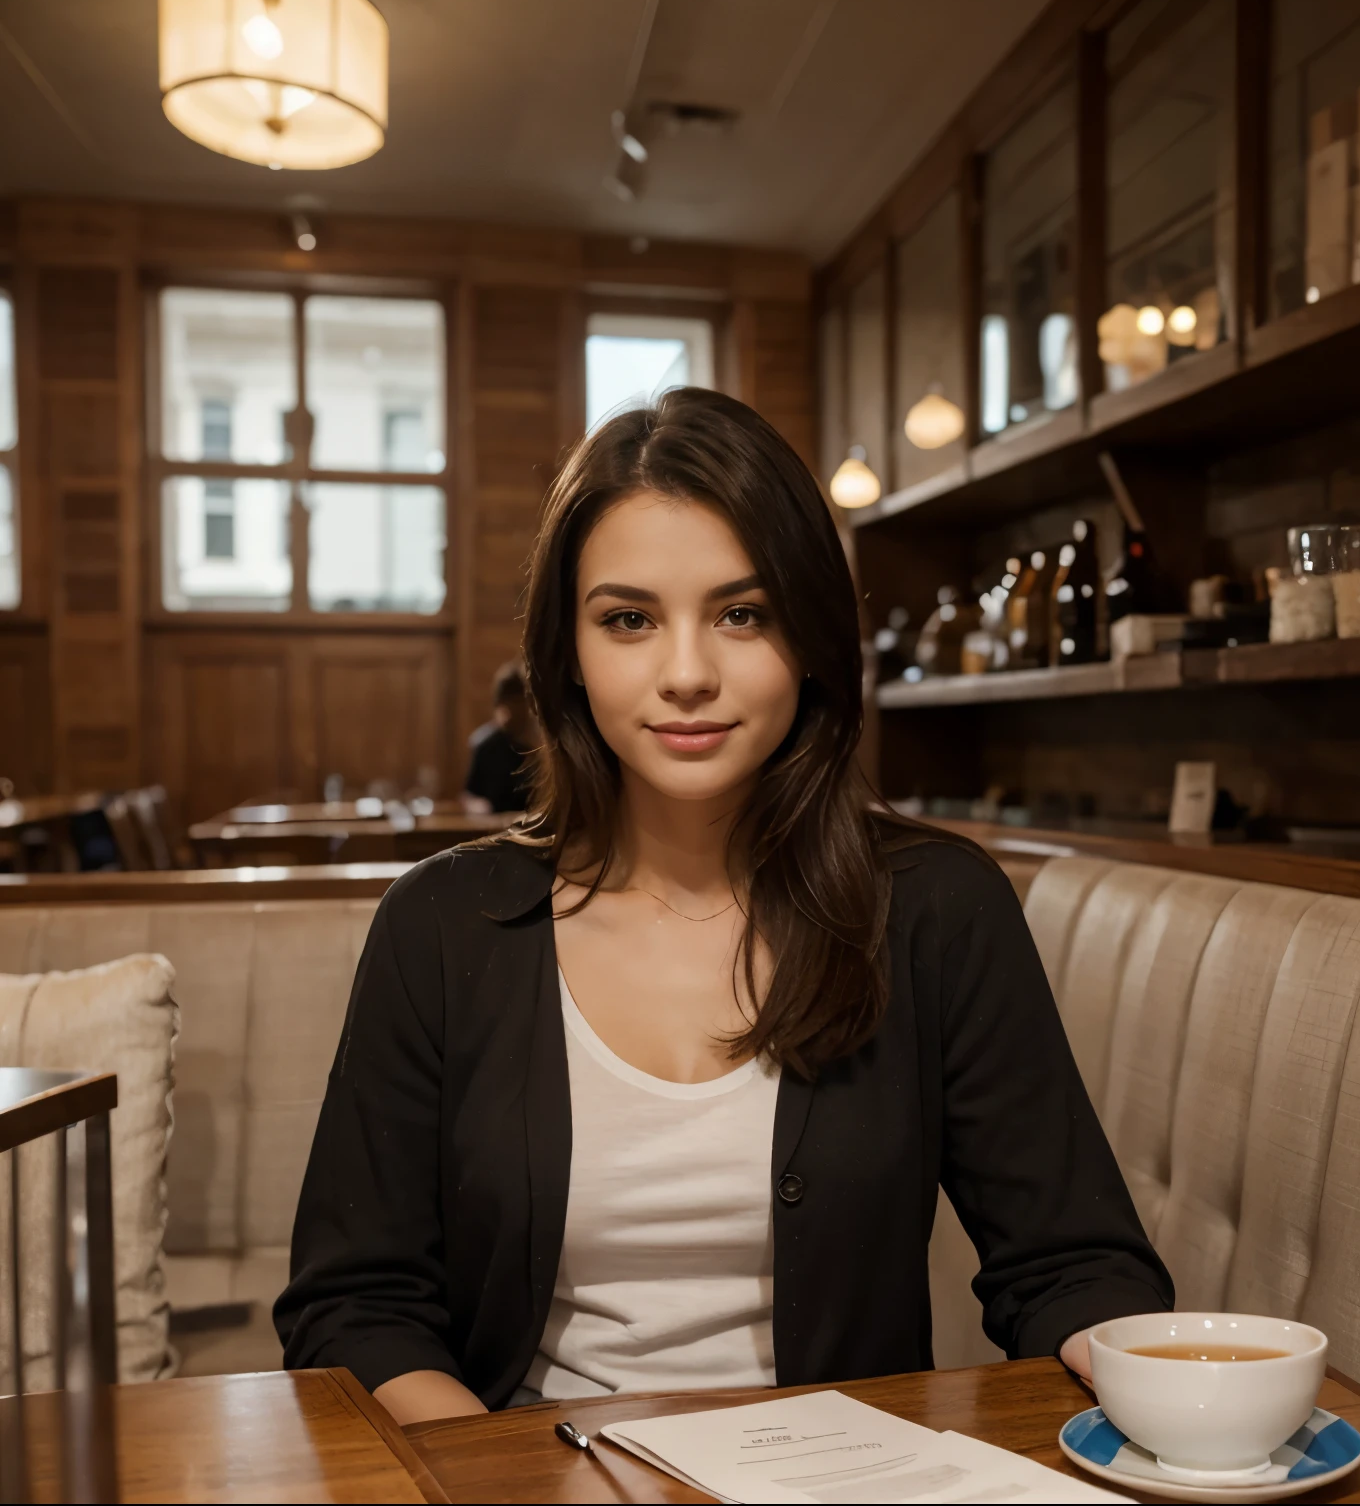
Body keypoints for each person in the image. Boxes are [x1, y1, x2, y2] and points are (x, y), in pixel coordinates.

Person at [275, 387, 1172, 1425]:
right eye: (629, 619)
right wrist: (495, 1477)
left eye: (743, 614)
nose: (689, 673)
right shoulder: (440, 924)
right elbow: (354, 1302)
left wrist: (1167, 1387)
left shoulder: (935, 907)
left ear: (811, 642)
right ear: (565, 652)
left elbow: (1071, 1261)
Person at [461, 661, 537, 813]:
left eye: (519, 702)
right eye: (509, 703)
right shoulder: (486, 745)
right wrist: (478, 806)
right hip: (494, 828)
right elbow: (470, 794)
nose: (514, 711)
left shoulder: (539, 743)